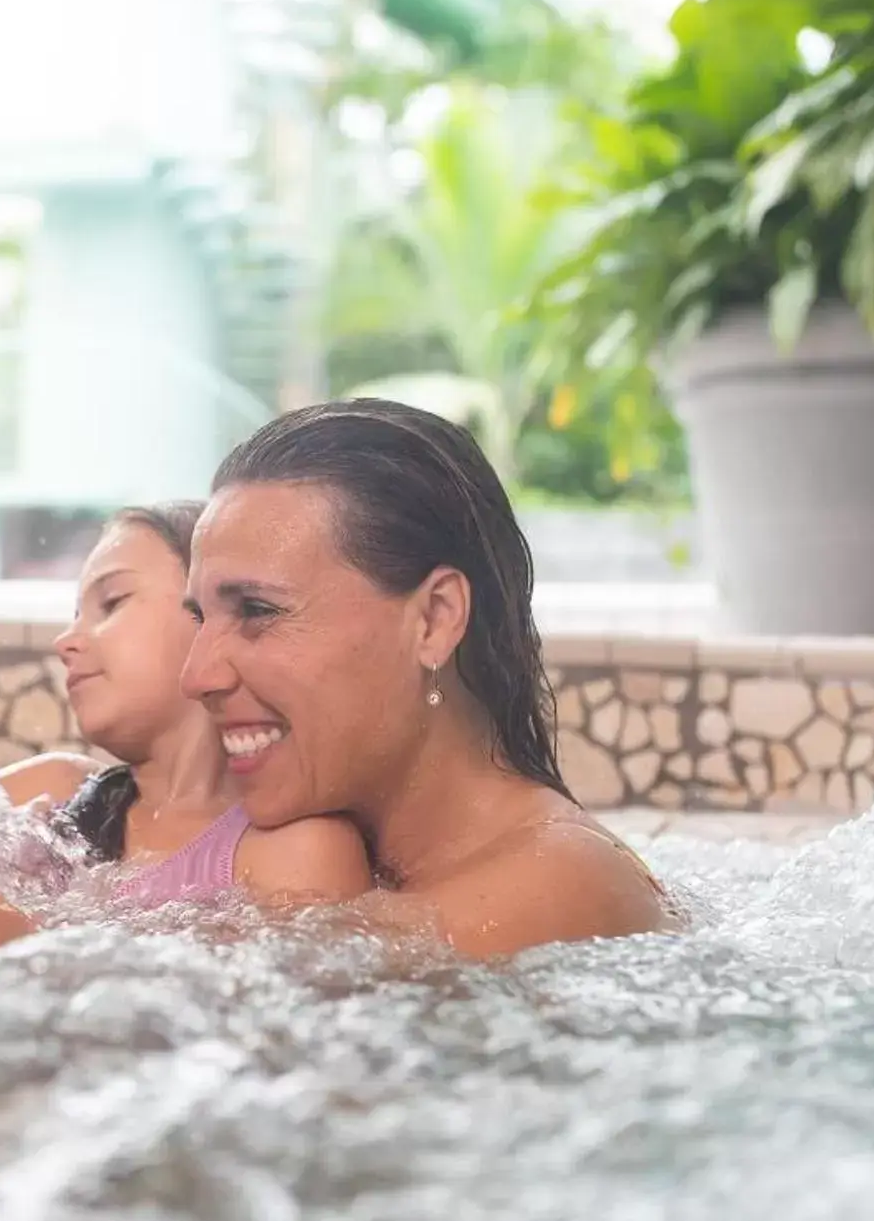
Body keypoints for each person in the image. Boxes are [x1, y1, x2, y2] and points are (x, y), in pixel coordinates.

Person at [179, 399, 671, 957]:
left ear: (435, 619)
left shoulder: (569, 880)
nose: (196, 676)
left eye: (257, 610)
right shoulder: (353, 863)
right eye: (198, 617)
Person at [0, 503, 373, 959]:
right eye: (74, 614)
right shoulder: (51, 792)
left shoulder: (295, 851)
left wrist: (43, 961)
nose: (66, 640)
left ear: (211, 615)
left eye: (111, 602)